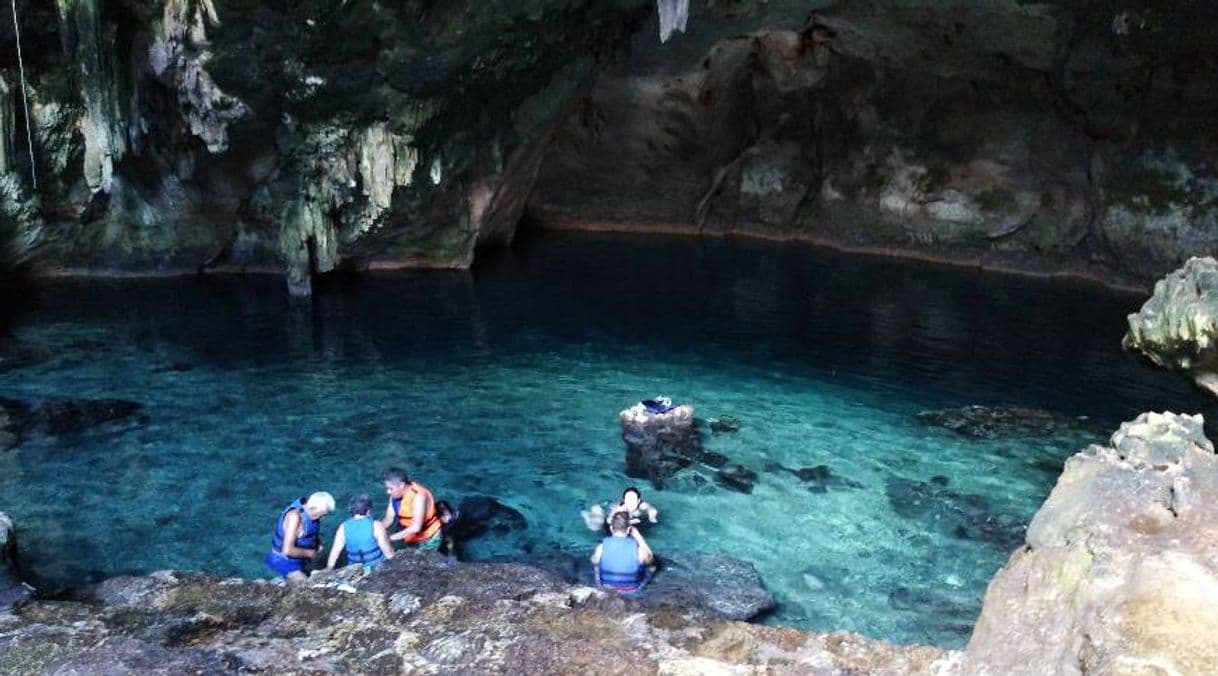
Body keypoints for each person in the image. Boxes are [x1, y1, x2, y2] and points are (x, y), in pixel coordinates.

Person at [266, 491, 335, 584]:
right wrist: (311, 553)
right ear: (313, 508)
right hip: (283, 562)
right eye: (323, 515)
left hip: (299, 561)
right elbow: (287, 550)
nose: (323, 518)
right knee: (310, 588)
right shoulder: (294, 517)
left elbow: (310, 533)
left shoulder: (312, 515)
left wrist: (318, 544)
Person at [326, 494, 395, 571]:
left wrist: (329, 568)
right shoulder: (376, 525)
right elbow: (388, 552)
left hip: (355, 570)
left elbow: (334, 553)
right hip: (376, 567)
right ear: (368, 510)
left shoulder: (343, 527)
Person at [380, 467, 443, 551]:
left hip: (428, 537)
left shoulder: (419, 496)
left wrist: (389, 538)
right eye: (387, 488)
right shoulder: (394, 495)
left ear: (401, 485)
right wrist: (375, 531)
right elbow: (388, 519)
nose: (388, 492)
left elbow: (416, 527)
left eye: (390, 488)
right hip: (409, 534)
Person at [591, 511, 655, 593]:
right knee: (652, 567)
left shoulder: (601, 547)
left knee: (597, 564)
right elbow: (651, 559)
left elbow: (593, 560)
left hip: (605, 586)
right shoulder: (639, 550)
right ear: (628, 530)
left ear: (611, 528)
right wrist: (637, 535)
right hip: (632, 589)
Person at [580, 486, 660, 532]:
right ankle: (583, 511)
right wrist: (629, 522)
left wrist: (652, 517)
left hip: (610, 505)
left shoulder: (642, 505)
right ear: (624, 500)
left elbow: (652, 510)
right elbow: (609, 520)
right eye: (628, 499)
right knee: (595, 527)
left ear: (638, 500)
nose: (630, 502)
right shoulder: (620, 509)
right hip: (605, 507)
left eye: (633, 499)